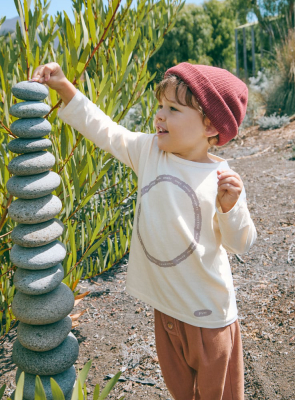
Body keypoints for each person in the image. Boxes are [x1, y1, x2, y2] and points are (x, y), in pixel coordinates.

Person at [31, 61, 257, 400]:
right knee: (182, 392)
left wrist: (230, 207)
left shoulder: (223, 181)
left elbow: (242, 243)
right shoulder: (150, 152)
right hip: (166, 310)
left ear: (210, 124)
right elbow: (104, 130)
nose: (160, 116)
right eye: (160, 106)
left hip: (208, 318)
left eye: (174, 109)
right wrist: (64, 87)